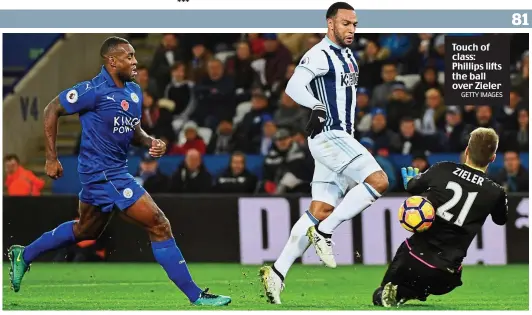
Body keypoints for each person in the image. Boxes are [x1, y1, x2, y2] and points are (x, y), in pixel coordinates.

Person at [7, 36, 231, 307]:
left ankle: (24, 254)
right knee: (159, 224)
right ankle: (196, 296)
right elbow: (51, 109)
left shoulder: (133, 91)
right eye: (129, 57)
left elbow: (133, 129)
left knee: (85, 230)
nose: (135, 62)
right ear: (112, 61)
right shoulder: (92, 90)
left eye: (135, 55)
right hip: (104, 174)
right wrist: (51, 158)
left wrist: (150, 142)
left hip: (108, 173)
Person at [259, 2, 389, 304]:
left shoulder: (348, 56)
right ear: (330, 24)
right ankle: (325, 233)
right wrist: (316, 105)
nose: (352, 29)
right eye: (346, 24)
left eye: (355, 24)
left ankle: (276, 273)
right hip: (330, 136)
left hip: (340, 137)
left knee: (319, 211)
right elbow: (294, 87)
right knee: (378, 181)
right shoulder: (319, 54)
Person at [373, 127, 508, 307]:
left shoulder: (443, 168)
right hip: (446, 276)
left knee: (379, 294)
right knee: (436, 280)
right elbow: (501, 220)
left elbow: (413, 186)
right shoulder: (495, 191)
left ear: (466, 151)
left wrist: (411, 184)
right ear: (493, 158)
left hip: (412, 260)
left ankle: (392, 289)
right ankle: (410, 292)